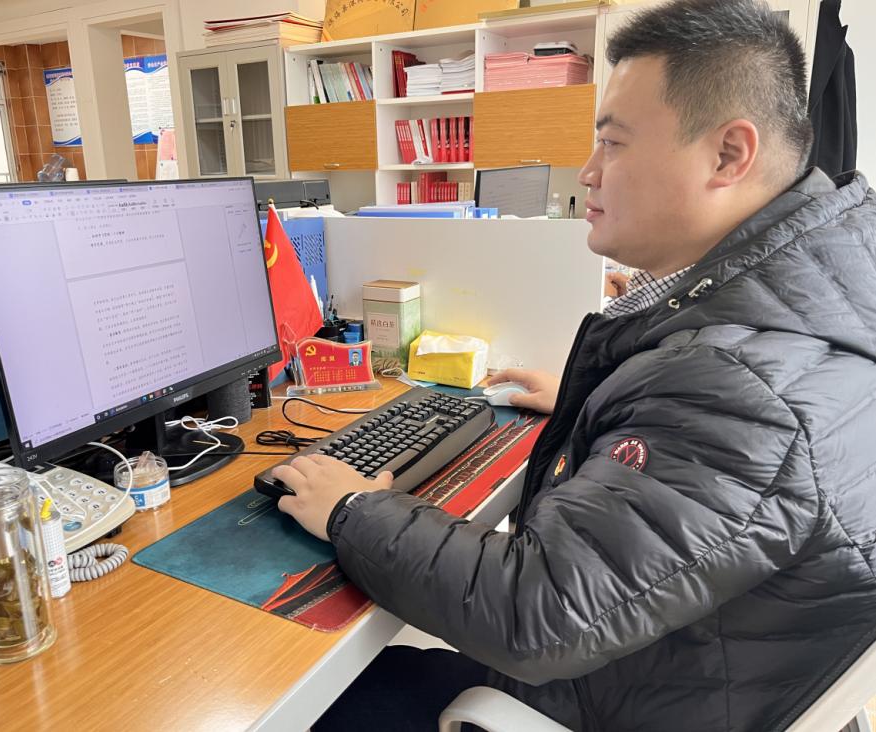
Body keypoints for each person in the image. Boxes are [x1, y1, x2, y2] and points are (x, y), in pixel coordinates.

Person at [275, 0, 876, 729]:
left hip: (613, 699)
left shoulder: (736, 388)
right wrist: (606, 404)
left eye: (613, 144)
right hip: (687, 674)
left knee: (309, 702)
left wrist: (352, 510)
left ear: (728, 155)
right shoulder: (824, 302)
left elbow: (534, 614)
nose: (588, 173)